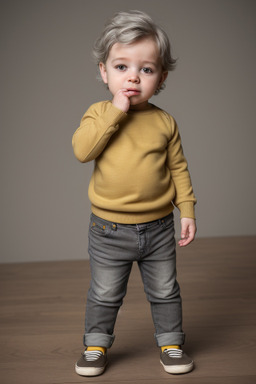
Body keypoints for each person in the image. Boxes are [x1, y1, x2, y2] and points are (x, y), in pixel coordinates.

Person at [72, 10, 197, 377]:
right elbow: (83, 150)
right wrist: (116, 112)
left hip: (158, 228)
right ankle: (95, 346)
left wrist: (186, 209)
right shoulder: (98, 113)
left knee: (165, 290)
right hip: (109, 231)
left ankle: (171, 344)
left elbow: (178, 169)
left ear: (161, 78)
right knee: (105, 293)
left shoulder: (164, 122)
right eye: (122, 66)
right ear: (103, 72)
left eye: (146, 69)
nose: (133, 77)